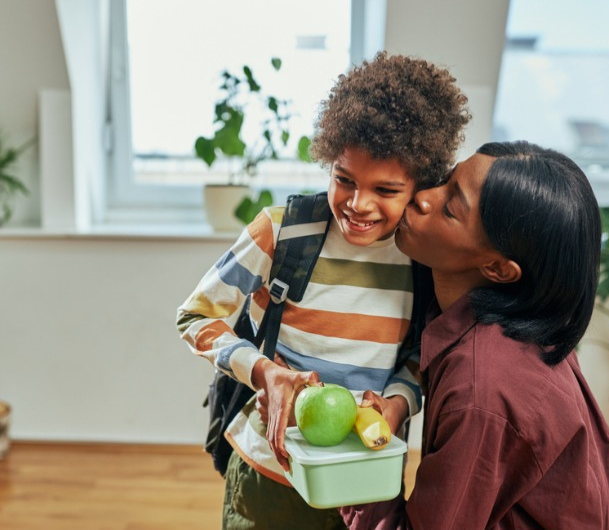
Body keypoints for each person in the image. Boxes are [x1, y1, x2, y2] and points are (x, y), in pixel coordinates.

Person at [176, 52, 470, 530]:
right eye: (344, 180)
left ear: (421, 185)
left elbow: (424, 354)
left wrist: (396, 404)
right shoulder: (282, 232)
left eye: (386, 190)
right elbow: (194, 318)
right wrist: (264, 372)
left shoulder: (422, 259)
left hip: (366, 480)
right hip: (269, 477)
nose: (358, 205)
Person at [339, 141, 609, 529]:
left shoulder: (481, 389)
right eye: (447, 181)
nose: (422, 198)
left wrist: (352, 462)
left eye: (450, 207)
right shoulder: (518, 323)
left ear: (499, 269)